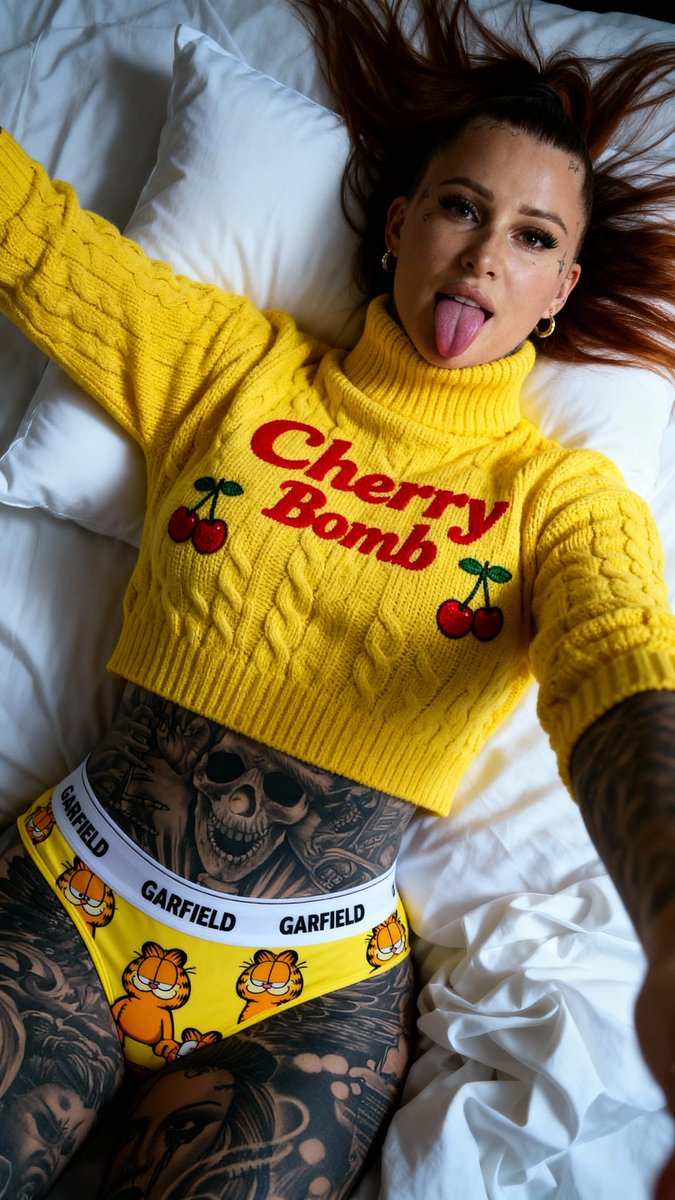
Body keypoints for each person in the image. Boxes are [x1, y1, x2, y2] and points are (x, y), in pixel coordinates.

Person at [0, 0, 674, 1196]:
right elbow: (36, 242)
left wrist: (671, 918)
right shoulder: (231, 367)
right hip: (71, 898)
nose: (483, 256)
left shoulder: (559, 498)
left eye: (530, 237)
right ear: (401, 225)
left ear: (560, 290)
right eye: (462, 208)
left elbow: (621, 659)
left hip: (306, 999)